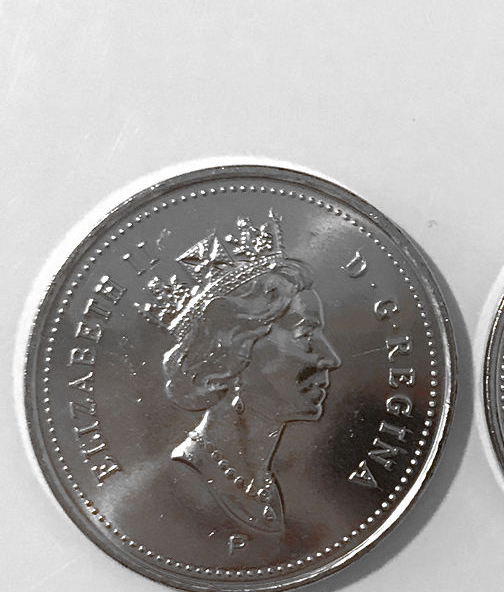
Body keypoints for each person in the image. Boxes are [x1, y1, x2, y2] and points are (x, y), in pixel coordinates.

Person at [118, 213, 341, 569]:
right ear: (233, 354)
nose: (330, 358)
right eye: (305, 334)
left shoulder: (264, 485)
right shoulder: (165, 491)